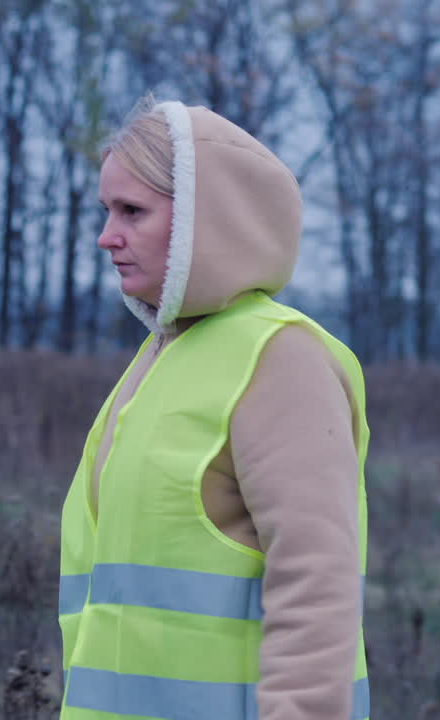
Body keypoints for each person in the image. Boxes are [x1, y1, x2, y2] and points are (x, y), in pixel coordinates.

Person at [58, 97, 370, 720]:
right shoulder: (159, 357)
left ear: (208, 218)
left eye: (132, 211)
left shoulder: (278, 358)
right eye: (106, 210)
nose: (106, 236)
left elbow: (317, 584)